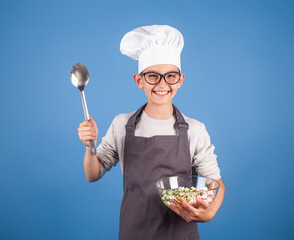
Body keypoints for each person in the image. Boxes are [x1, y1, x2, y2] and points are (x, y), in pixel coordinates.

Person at [77, 25, 225, 240]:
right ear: (139, 80)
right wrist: (90, 144)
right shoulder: (122, 124)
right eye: (153, 76)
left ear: (180, 79)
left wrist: (210, 211)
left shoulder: (195, 129)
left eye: (170, 76)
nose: (162, 83)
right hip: (134, 233)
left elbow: (215, 182)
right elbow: (92, 174)